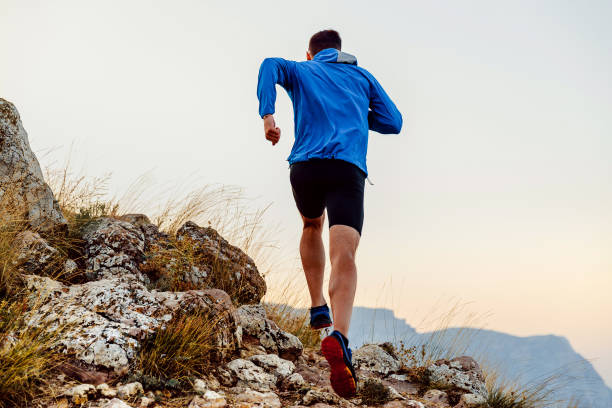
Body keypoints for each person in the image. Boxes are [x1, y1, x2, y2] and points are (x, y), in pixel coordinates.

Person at [256, 29, 402, 398]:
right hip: (345, 169)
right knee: (345, 253)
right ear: (340, 51)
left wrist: (268, 116)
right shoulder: (361, 76)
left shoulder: (301, 71)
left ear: (310, 54)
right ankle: (340, 335)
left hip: (305, 166)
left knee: (310, 224)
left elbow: (268, 65)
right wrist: (353, 112)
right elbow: (394, 121)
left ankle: (317, 305)